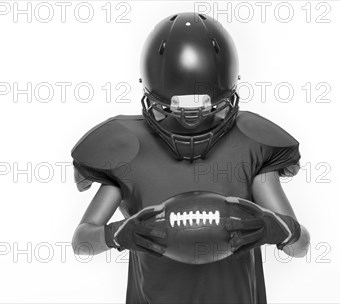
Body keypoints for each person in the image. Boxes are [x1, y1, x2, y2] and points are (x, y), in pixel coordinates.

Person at [70, 12, 310, 303]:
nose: (191, 121)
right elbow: (82, 243)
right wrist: (117, 234)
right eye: (177, 108)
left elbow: (300, 246)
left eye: (206, 108)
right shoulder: (127, 149)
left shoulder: (250, 145)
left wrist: (277, 228)